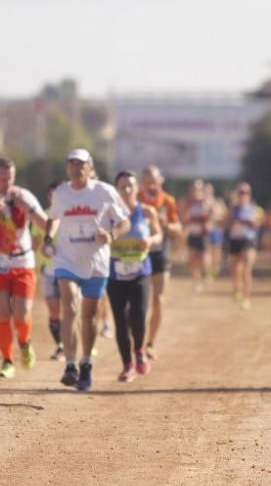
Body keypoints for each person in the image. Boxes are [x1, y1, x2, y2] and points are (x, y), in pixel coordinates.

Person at [43, 148, 131, 391]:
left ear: (90, 167)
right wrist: (48, 238)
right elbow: (54, 218)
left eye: (81, 164)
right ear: (67, 168)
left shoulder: (104, 191)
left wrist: (111, 234)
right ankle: (70, 364)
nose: (76, 168)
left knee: (89, 315)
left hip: (96, 262)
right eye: (72, 164)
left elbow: (125, 221)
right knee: (69, 304)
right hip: (66, 260)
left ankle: (86, 362)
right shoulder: (61, 193)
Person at [0, 158, 48, 378]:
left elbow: (46, 225)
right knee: (2, 314)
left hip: (22, 263)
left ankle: (25, 343)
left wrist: (29, 210)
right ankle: (7, 360)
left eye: (10, 178)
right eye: (2, 178)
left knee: (22, 313)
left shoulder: (23, 196)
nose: (7, 183)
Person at [108, 170, 162, 381]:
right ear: (116, 190)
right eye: (122, 187)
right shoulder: (109, 214)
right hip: (115, 275)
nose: (127, 190)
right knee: (120, 321)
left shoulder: (147, 212)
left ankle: (139, 350)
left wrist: (151, 241)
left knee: (138, 316)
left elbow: (158, 235)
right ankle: (127, 365)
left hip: (141, 272)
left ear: (137, 188)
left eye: (131, 186)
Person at [137, 165, 182, 360]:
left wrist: (166, 225)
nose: (151, 182)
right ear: (143, 181)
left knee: (158, 299)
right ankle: (137, 341)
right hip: (138, 254)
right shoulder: (135, 199)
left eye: (154, 179)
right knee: (140, 302)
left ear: (160, 180)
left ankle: (151, 343)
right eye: (147, 178)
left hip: (161, 253)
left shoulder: (168, 201)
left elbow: (177, 227)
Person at [32, 181, 65, 360]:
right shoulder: (41, 216)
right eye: (52, 195)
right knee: (54, 311)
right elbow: (34, 244)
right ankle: (60, 345)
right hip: (49, 270)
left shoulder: (70, 215)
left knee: (71, 309)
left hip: (69, 269)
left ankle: (77, 344)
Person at [225, 182, 262, 310]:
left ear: (249, 195)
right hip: (235, 240)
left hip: (249, 240)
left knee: (247, 269)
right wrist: (232, 221)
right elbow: (225, 224)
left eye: (245, 193)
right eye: (240, 193)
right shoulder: (232, 209)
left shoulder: (255, 209)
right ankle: (237, 288)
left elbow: (259, 224)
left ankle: (247, 298)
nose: (243, 195)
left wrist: (251, 222)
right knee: (236, 270)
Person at [180, 179, 214, 293]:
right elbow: (183, 217)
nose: (195, 190)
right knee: (193, 259)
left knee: (203, 257)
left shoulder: (206, 201)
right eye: (194, 188)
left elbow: (214, 215)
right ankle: (196, 280)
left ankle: (207, 272)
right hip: (192, 233)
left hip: (203, 234)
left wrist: (209, 220)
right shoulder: (188, 202)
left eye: (198, 188)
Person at [204, 182, 226, 280]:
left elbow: (224, 215)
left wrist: (214, 215)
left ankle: (215, 266)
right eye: (205, 190)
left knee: (216, 251)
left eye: (209, 190)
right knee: (207, 252)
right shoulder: (201, 203)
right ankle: (208, 273)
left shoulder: (217, 202)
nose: (207, 192)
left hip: (216, 230)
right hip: (206, 231)